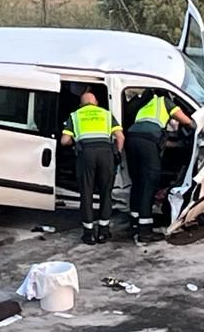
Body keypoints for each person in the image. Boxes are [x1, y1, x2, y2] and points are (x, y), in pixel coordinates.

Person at [126, 89, 194, 243]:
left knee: (137, 182)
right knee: (149, 184)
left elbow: (159, 138)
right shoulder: (164, 101)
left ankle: (135, 223)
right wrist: (195, 125)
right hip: (148, 141)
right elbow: (186, 121)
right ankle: (145, 231)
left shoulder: (143, 105)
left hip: (132, 138)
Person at [61, 84, 125, 245]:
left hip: (86, 155)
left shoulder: (75, 115)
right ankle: (104, 232)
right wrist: (117, 154)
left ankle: (88, 233)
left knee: (87, 193)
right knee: (106, 193)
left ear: (81, 104)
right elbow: (120, 137)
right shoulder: (106, 114)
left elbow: (64, 141)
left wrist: (76, 141)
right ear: (96, 103)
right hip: (106, 154)